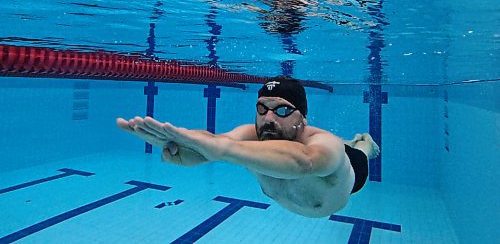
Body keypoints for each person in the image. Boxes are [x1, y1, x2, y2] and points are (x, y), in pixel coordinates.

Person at [116, 76, 380, 218]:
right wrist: (182, 148)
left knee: (359, 151)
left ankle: (361, 143)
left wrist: (222, 151)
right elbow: (215, 141)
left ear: (303, 117)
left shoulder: (325, 145)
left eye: (283, 110)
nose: (269, 119)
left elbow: (304, 162)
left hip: (352, 173)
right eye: (262, 109)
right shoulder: (251, 136)